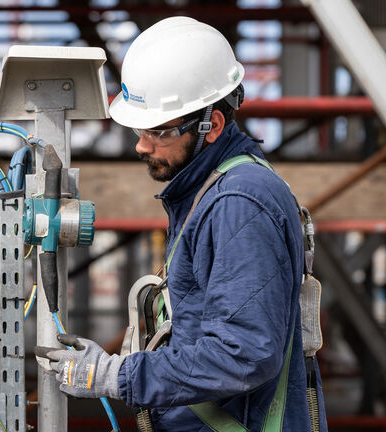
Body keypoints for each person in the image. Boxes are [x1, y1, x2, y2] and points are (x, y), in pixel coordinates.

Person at [44, 17, 327, 431]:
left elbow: (243, 352)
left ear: (210, 126)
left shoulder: (238, 203)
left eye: (159, 131)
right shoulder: (212, 191)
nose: (142, 145)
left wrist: (115, 375)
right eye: (140, 129)